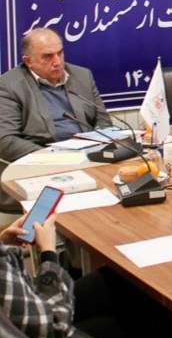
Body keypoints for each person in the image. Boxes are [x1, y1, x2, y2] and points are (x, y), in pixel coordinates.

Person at [0, 214, 172, 338]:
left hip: (21, 312)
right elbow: (54, 327)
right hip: (43, 331)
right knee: (135, 317)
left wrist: (4, 245)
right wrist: (48, 253)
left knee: (124, 283)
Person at [0, 28, 111, 211]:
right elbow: (6, 140)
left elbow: (103, 121)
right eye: (47, 56)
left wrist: (95, 148)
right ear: (28, 61)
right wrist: (54, 158)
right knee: (63, 211)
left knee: (113, 201)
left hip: (87, 160)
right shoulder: (9, 85)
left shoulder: (82, 75)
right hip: (40, 167)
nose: (57, 62)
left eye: (60, 53)